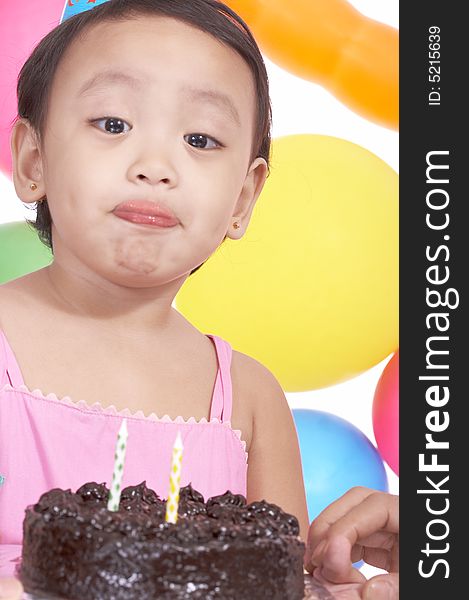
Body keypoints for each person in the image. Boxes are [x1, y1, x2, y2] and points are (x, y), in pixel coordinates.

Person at [0, 0, 308, 547]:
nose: (155, 167)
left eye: (201, 140)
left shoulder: (250, 400)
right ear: (33, 162)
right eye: (113, 123)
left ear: (242, 198)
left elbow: (283, 580)